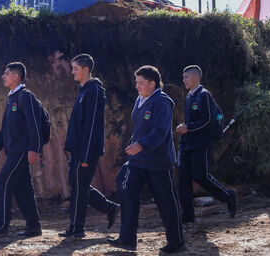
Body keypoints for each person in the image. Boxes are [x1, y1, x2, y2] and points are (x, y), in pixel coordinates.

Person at [108, 66, 185, 253]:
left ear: (153, 83)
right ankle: (127, 239)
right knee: (124, 183)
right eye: (136, 82)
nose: (137, 86)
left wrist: (141, 144)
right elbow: (139, 128)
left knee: (166, 201)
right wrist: (135, 145)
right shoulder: (141, 99)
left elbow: (161, 131)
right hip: (138, 160)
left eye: (141, 83)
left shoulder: (162, 102)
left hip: (158, 161)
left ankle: (177, 243)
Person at [59, 54, 119, 238]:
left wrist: (85, 155)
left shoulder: (94, 91)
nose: (72, 72)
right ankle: (110, 208)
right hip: (79, 149)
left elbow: (92, 125)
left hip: (87, 151)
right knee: (78, 184)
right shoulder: (83, 90)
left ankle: (76, 229)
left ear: (86, 69)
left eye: (75, 68)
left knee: (79, 187)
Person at [0, 62, 43, 237]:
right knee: (23, 189)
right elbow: (5, 128)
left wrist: (34, 148)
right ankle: (34, 227)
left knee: (3, 181)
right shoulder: (12, 98)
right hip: (13, 150)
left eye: (7, 73)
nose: (3, 76)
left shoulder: (26, 96)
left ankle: (1, 226)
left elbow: (35, 124)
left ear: (16, 76)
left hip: (22, 151)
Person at [175, 65, 237, 223]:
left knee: (201, 177)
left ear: (196, 78)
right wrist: (184, 127)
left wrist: (188, 128)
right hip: (187, 144)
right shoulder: (189, 97)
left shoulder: (204, 95)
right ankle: (188, 215)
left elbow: (208, 120)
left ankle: (228, 196)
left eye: (186, 77)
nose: (184, 80)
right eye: (183, 77)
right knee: (183, 179)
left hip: (200, 145)